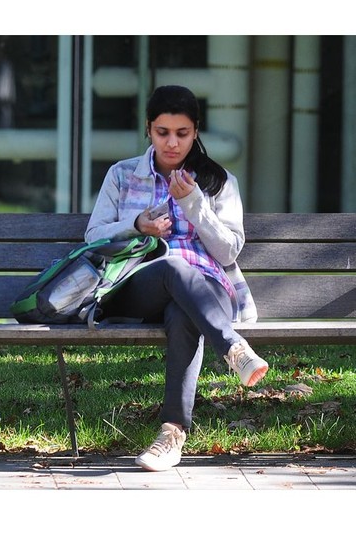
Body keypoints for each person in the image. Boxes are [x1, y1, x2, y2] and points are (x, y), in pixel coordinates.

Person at [85, 85, 269, 472]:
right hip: (138, 285)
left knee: (183, 313)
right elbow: (94, 236)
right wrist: (136, 225)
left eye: (182, 133)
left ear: (196, 131)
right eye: (162, 132)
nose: (172, 143)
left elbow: (229, 251)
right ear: (148, 129)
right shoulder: (122, 175)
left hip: (206, 291)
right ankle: (233, 347)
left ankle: (171, 435)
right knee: (172, 266)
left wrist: (194, 204)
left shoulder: (218, 181)